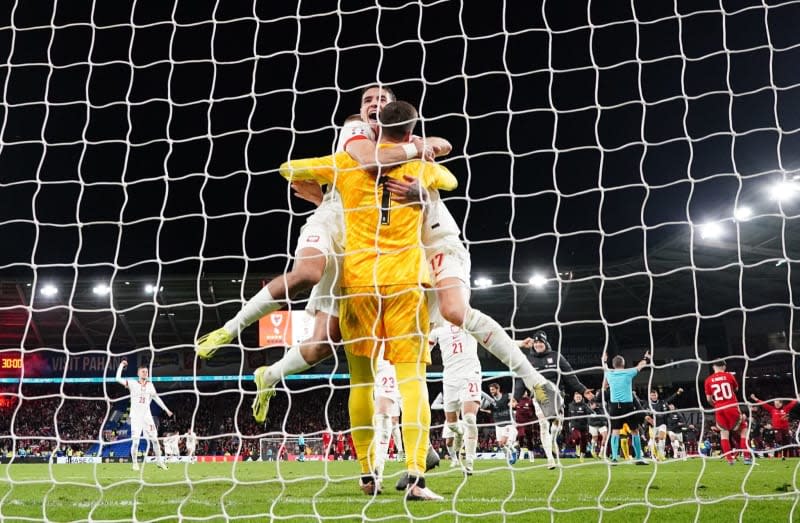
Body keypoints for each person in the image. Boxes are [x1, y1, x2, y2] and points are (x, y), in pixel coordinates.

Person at [278, 100, 455, 500]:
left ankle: (366, 474)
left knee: (362, 381)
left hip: (358, 282)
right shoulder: (424, 170)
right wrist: (425, 152)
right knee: (412, 379)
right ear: (410, 133)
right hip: (406, 281)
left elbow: (289, 169)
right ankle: (415, 475)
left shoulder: (343, 164)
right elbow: (450, 180)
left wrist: (317, 185)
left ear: (375, 131)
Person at [514, 331, 588, 469]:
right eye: (535, 342)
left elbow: (570, 375)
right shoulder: (528, 360)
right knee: (543, 425)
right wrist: (515, 397)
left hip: (557, 394)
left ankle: (553, 440)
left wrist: (583, 390)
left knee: (557, 426)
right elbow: (521, 379)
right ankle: (550, 459)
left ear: (545, 343)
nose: (537, 344)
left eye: (540, 342)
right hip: (539, 393)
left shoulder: (556, 357)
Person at [428, 321, 485, 475]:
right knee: (453, 426)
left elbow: (491, 338)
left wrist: (518, 344)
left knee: (469, 419)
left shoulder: (469, 319)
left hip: (470, 374)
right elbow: (426, 349)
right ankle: (459, 433)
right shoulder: (437, 326)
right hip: (450, 379)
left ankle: (470, 462)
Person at [114, 361, 173, 471]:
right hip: (136, 417)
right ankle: (135, 464)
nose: (145, 373)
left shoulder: (150, 385)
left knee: (155, 440)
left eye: (146, 372)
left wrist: (166, 409)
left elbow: (156, 398)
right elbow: (117, 378)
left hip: (147, 417)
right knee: (135, 442)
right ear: (138, 373)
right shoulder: (132, 383)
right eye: (143, 371)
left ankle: (159, 462)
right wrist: (122, 365)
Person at [602, 350, 650, 465]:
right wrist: (646, 358)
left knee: (615, 431)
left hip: (614, 406)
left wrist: (604, 360)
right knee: (635, 431)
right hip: (628, 406)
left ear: (614, 365)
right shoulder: (629, 372)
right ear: (623, 364)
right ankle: (638, 458)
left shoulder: (609, 373)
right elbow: (640, 366)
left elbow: (604, 385)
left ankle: (614, 458)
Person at [703, 360, 751, 465]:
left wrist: (716, 404)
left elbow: (709, 399)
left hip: (719, 408)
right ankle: (747, 458)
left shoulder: (708, 380)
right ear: (724, 366)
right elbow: (736, 389)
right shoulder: (729, 376)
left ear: (713, 367)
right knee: (743, 429)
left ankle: (729, 460)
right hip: (731, 406)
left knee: (724, 434)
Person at [750, 393, 797, 459]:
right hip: (777, 429)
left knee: (787, 444)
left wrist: (797, 397)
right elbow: (764, 404)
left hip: (785, 429)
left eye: (777, 403)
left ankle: (786, 457)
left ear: (781, 403)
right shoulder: (772, 409)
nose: (776, 405)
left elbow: (792, 404)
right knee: (779, 440)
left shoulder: (786, 408)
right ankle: (778, 452)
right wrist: (756, 399)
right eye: (775, 403)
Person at [481, 382, 518, 465]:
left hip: (508, 423)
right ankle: (511, 454)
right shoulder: (491, 400)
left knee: (505, 442)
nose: (491, 391)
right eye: (490, 390)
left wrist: (512, 404)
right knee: (500, 445)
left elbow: (515, 402)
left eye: (493, 389)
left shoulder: (507, 396)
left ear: (498, 389)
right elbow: (482, 407)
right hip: (498, 424)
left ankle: (513, 453)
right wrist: (484, 398)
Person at [647, 387, 684, 461]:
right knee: (651, 443)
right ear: (650, 396)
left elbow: (670, 398)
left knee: (661, 438)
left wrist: (677, 393)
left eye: (655, 395)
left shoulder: (662, 402)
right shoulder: (648, 405)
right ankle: (655, 455)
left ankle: (661, 455)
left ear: (657, 395)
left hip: (662, 424)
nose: (654, 396)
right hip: (653, 426)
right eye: (652, 395)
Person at [566, 391, 591, 462]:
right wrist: (569, 423)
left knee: (584, 442)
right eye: (577, 397)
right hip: (574, 425)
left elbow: (590, 411)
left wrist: (593, 413)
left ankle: (582, 455)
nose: (578, 398)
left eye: (579, 397)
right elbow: (569, 415)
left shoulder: (585, 405)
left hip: (583, 426)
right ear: (574, 397)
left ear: (582, 398)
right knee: (577, 437)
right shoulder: (570, 405)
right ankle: (577, 445)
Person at [514, 390, 536, 462]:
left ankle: (531, 454)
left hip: (528, 423)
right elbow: (513, 408)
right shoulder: (517, 400)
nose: (523, 393)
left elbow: (534, 411)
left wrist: (533, 418)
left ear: (527, 393)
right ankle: (522, 451)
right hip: (520, 423)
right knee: (521, 435)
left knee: (529, 439)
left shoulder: (530, 401)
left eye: (525, 392)